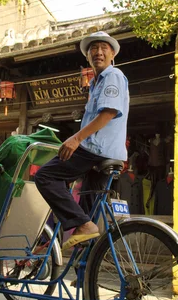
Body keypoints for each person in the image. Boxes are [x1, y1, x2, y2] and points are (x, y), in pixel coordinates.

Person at [35, 31, 129, 250]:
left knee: (45, 176)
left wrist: (76, 139)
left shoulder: (112, 75)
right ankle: (85, 266)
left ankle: (84, 226)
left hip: (97, 149)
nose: (98, 52)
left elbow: (108, 112)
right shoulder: (96, 82)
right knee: (88, 209)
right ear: (87, 56)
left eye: (103, 48)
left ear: (112, 53)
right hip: (104, 154)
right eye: (93, 49)